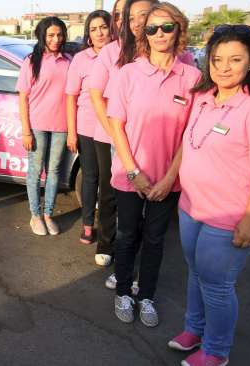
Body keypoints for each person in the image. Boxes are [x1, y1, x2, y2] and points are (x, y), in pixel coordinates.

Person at [170, 25, 250, 366]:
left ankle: (217, 351)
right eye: (217, 59)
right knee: (195, 272)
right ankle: (194, 329)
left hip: (230, 215)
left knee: (217, 285)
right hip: (192, 207)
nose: (224, 67)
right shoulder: (205, 98)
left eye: (235, 59)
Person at [107, 2, 201, 327]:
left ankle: (146, 295)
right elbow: (116, 126)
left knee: (156, 240)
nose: (159, 34)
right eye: (152, 28)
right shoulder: (127, 73)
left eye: (166, 27)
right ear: (144, 34)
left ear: (179, 30)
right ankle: (122, 291)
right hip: (129, 175)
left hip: (168, 180)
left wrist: (169, 178)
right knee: (127, 235)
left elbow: (191, 134)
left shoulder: (193, 77)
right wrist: (134, 172)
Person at [89, 0, 156, 291]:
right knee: (111, 195)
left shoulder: (162, 50)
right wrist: (116, 137)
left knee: (145, 208)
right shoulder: (111, 52)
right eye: (127, 15)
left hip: (151, 143)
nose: (136, 21)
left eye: (144, 15)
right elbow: (96, 95)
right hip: (112, 137)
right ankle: (107, 245)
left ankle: (134, 265)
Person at [17, 16, 70, 236]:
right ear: (42, 36)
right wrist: (26, 131)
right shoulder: (31, 61)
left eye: (59, 34)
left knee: (55, 171)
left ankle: (48, 213)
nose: (55, 39)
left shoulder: (68, 61)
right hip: (37, 125)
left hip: (61, 126)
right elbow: (22, 98)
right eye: (50, 35)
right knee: (35, 171)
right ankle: (35, 215)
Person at [66, 10, 112, 250]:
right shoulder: (81, 59)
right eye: (93, 29)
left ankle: (107, 228)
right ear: (88, 35)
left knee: (109, 181)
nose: (99, 33)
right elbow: (71, 97)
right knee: (90, 177)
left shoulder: (120, 56)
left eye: (103, 27)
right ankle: (87, 224)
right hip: (86, 127)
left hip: (113, 128)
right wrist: (72, 132)